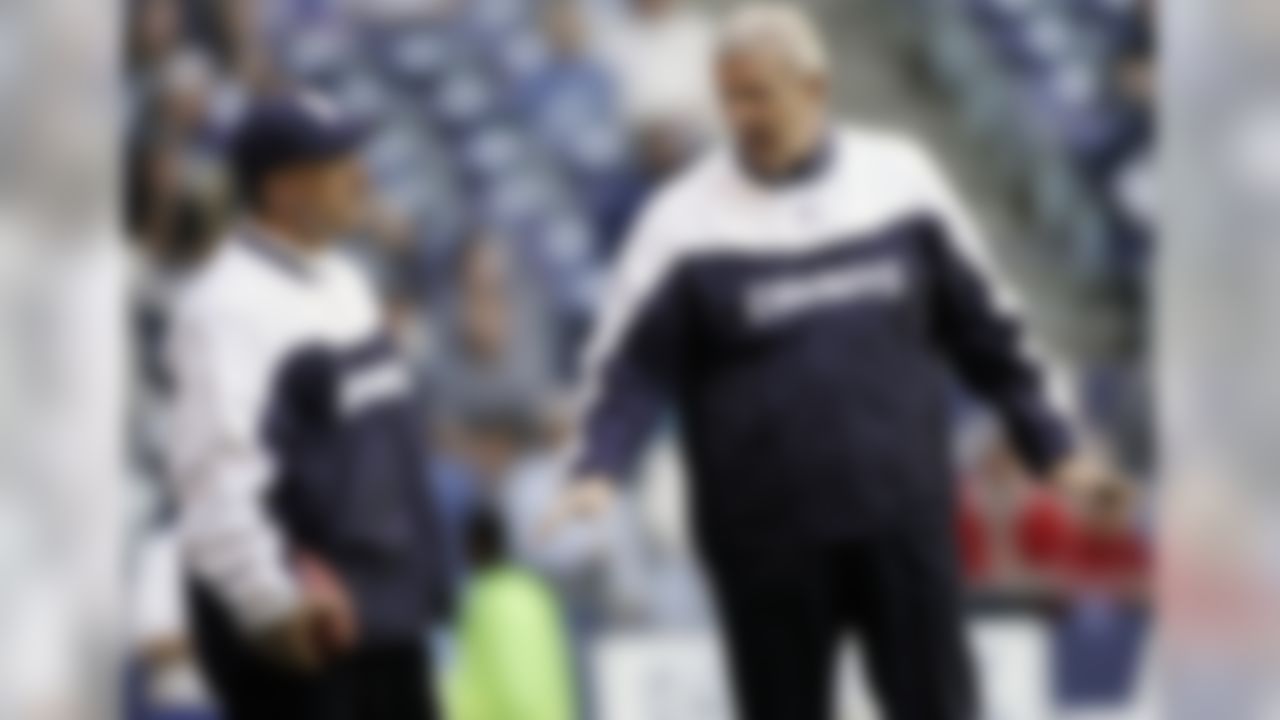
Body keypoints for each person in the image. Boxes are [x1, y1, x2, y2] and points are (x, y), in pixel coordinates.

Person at [547, 4, 1118, 719]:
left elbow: (991, 332)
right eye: (729, 97)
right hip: (764, 540)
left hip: (902, 521)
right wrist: (599, 463)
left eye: (759, 94)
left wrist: (1055, 448)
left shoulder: (900, 181)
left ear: (814, 86)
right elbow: (629, 367)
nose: (742, 115)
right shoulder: (680, 222)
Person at [167, 91, 444, 719]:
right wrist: (270, 601)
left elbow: (389, 453)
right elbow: (215, 484)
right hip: (314, 636)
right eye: (338, 160)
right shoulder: (224, 307)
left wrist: (427, 580)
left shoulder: (347, 281)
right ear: (283, 189)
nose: (362, 175)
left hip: (389, 625)